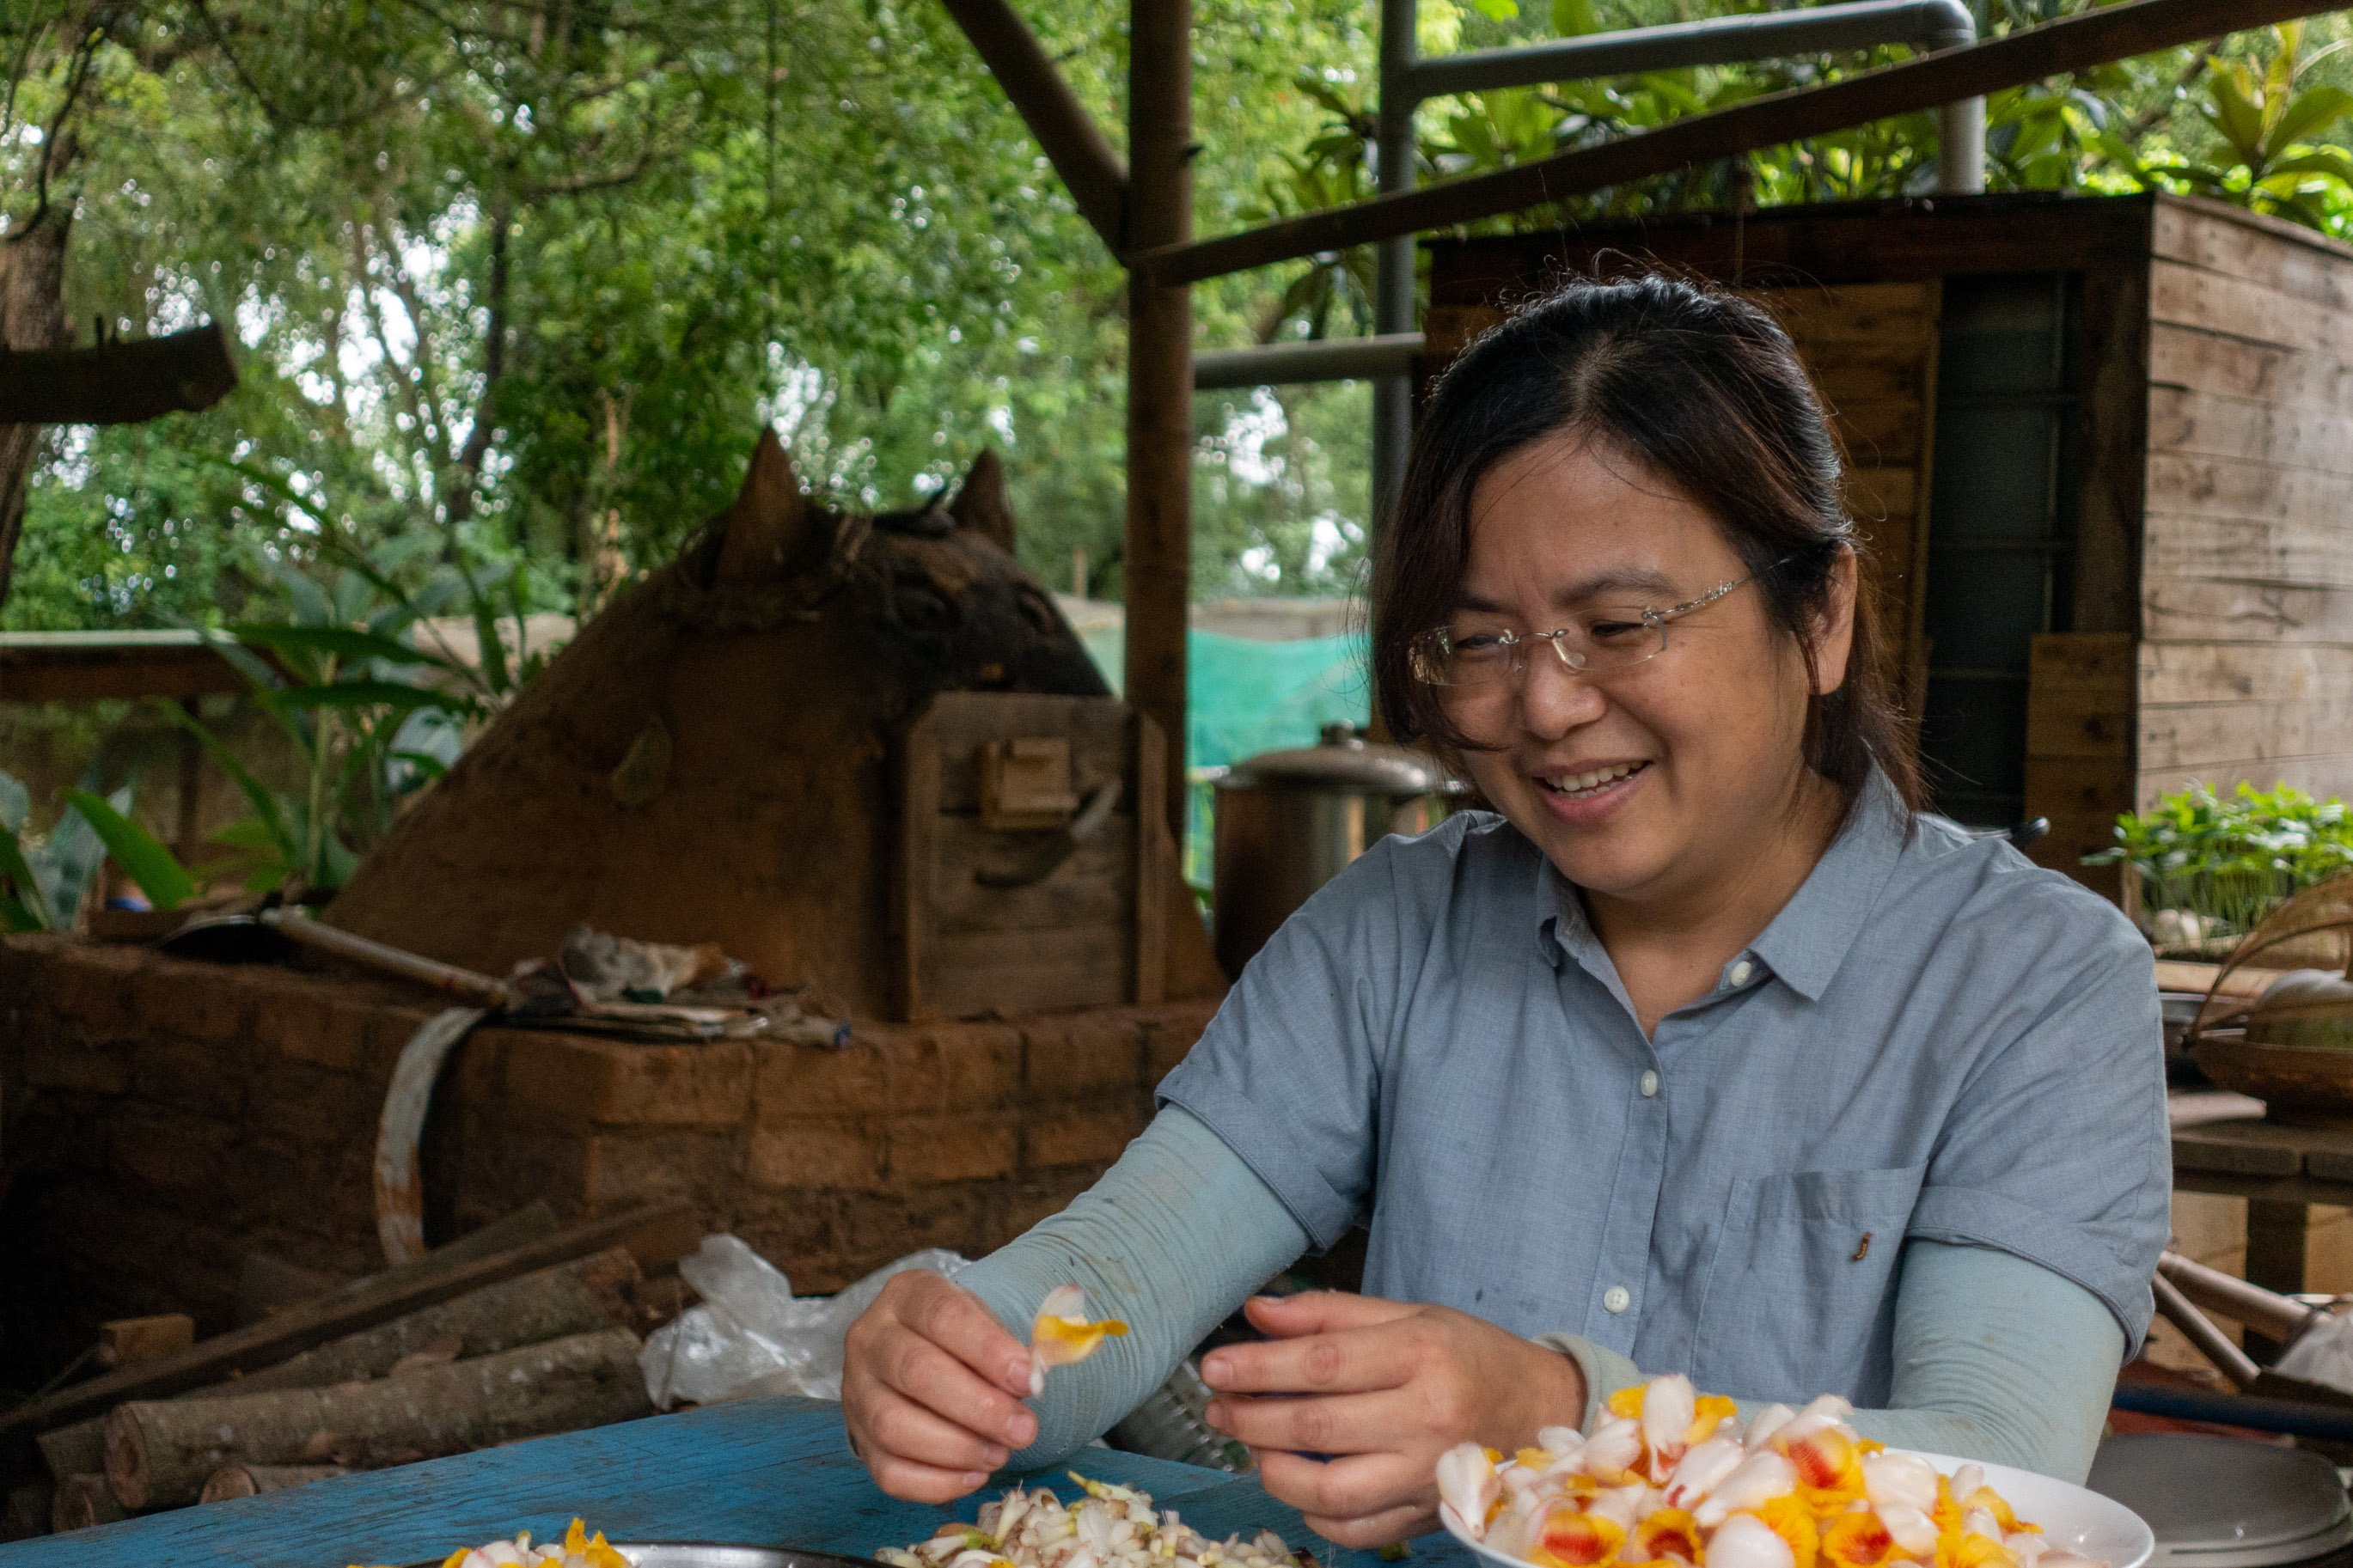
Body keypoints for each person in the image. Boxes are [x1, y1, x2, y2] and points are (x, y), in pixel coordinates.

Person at [840, 273, 2169, 1545]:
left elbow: (1991, 1478)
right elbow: (1121, 1279)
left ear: (1818, 612)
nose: (1542, 704)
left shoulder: (2034, 985)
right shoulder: (1393, 928)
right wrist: (969, 1348)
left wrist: (1554, 1417)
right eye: (1479, 641)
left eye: (1623, 621)